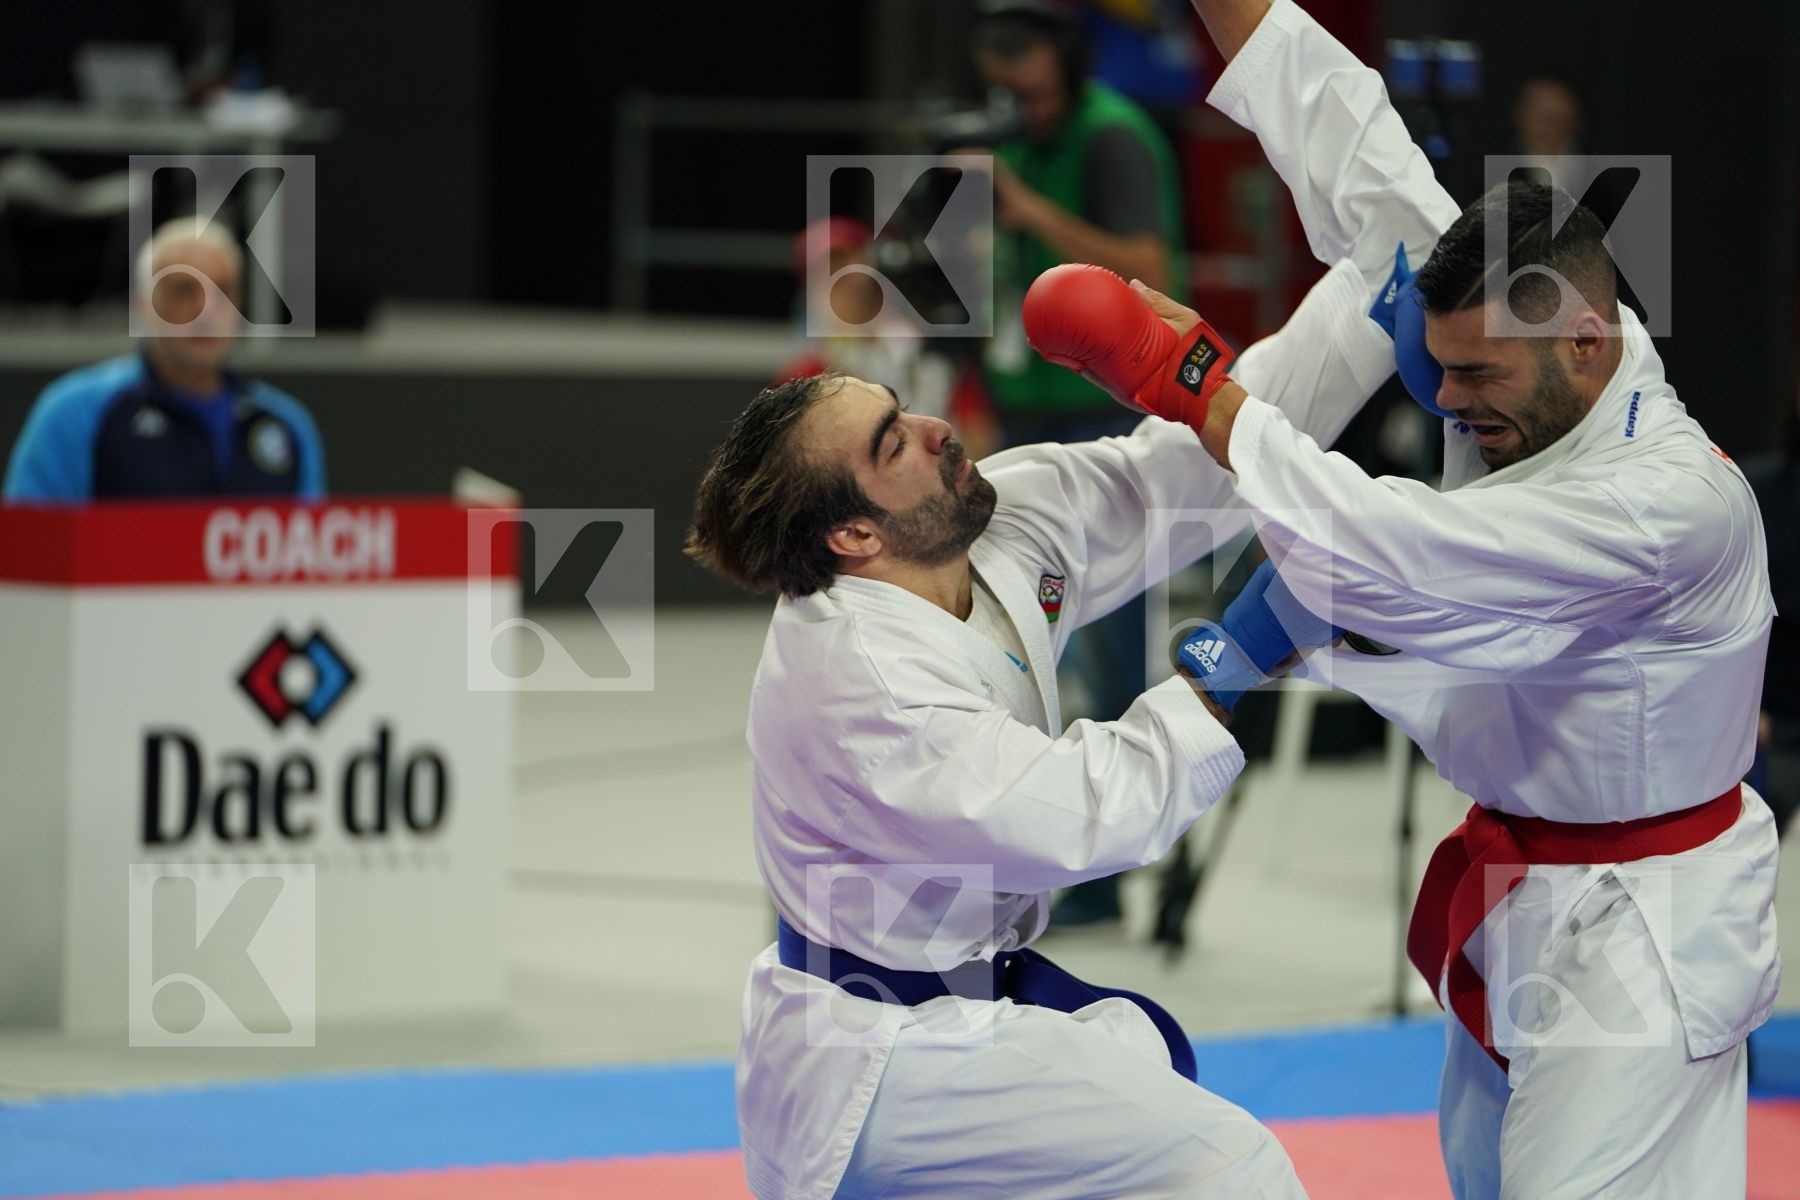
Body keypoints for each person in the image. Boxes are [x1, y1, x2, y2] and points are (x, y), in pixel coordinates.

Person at [1027, 1, 1780, 1195]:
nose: (1450, 400)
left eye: (1479, 375)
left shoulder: (1665, 502)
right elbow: (1351, 138)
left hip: (1646, 926)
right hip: (1520, 878)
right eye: (1446, 364)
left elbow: (1406, 555)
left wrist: (1201, 392)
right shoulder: (1528, 336)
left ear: (1589, 343)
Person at [685, 133, 1431, 1188]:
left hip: (969, 996)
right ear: (853, 538)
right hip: (879, 1063)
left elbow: (1179, 475)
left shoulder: (988, 523)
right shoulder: (863, 680)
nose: (939, 429)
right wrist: (1235, 655)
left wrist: (1365, 310)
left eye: (905, 410)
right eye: (893, 443)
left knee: (1146, 1082)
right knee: (1231, 1168)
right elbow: (1077, 815)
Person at [973, 0, 1193, 924]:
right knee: (1034, 652)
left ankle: (1135, 862)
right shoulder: (1003, 139)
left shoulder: (1114, 138)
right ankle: (1079, 870)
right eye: (996, 65)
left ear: (1063, 58)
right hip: (1023, 414)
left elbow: (1142, 262)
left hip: (1105, 424)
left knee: (1114, 656)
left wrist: (1025, 208)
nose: (1008, 83)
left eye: (1022, 62)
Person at [4, 217, 325, 502]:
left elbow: (309, 559)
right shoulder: (77, 412)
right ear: (144, 304)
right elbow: (29, 545)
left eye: (223, 291)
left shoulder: (286, 424)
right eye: (184, 289)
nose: (206, 311)